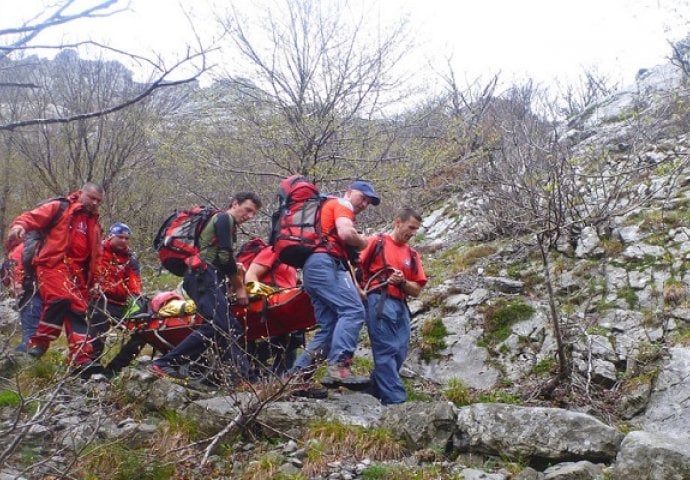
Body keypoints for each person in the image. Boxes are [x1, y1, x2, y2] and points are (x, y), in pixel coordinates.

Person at [150, 192, 262, 384]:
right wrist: (239, 287)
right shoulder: (224, 218)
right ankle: (164, 363)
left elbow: (222, 258)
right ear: (235, 203)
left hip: (205, 277)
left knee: (230, 326)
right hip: (202, 276)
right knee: (218, 325)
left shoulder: (225, 223)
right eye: (247, 210)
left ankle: (242, 378)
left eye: (254, 213)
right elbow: (225, 257)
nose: (249, 216)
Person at [6, 183, 103, 373]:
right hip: (53, 265)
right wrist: (19, 225)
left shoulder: (94, 223)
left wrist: (95, 280)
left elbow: (96, 255)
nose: (95, 203)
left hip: (78, 275)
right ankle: (39, 343)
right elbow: (33, 217)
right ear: (81, 193)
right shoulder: (61, 207)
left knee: (78, 314)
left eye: (98, 200)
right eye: (92, 198)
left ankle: (81, 359)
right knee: (61, 299)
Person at [290, 180, 380, 381]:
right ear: (349, 192)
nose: (364, 204)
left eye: (368, 202)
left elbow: (343, 259)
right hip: (324, 266)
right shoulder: (342, 204)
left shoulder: (324, 215)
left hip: (314, 269)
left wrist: (356, 289)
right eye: (362, 197)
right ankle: (339, 367)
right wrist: (364, 241)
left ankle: (294, 380)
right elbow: (347, 233)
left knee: (330, 328)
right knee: (353, 311)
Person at [359, 208, 427, 405]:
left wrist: (402, 282)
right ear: (398, 222)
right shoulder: (376, 242)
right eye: (411, 228)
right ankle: (396, 401)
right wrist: (359, 291)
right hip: (379, 300)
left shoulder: (412, 254)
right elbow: (354, 266)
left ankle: (373, 392)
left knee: (400, 351)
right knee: (386, 350)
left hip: (401, 305)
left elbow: (416, 290)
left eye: (416, 230)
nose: (413, 233)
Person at [87, 223, 143, 374]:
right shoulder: (97, 250)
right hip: (98, 299)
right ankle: (89, 368)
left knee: (142, 332)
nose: (124, 241)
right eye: (120, 237)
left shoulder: (130, 259)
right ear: (111, 236)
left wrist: (137, 296)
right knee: (98, 335)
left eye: (127, 238)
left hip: (120, 304)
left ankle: (114, 369)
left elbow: (134, 280)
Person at [244, 244, 302, 375]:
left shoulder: (292, 259)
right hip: (273, 300)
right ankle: (252, 361)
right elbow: (251, 274)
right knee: (292, 336)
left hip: (287, 300)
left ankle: (280, 376)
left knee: (292, 338)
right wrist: (256, 295)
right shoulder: (272, 251)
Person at [1, 242, 43, 352]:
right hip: (33, 289)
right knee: (32, 321)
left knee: (31, 321)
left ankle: (28, 350)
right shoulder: (25, 247)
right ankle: (29, 349)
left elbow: (12, 272)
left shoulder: (18, 249)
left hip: (31, 290)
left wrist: (16, 283)